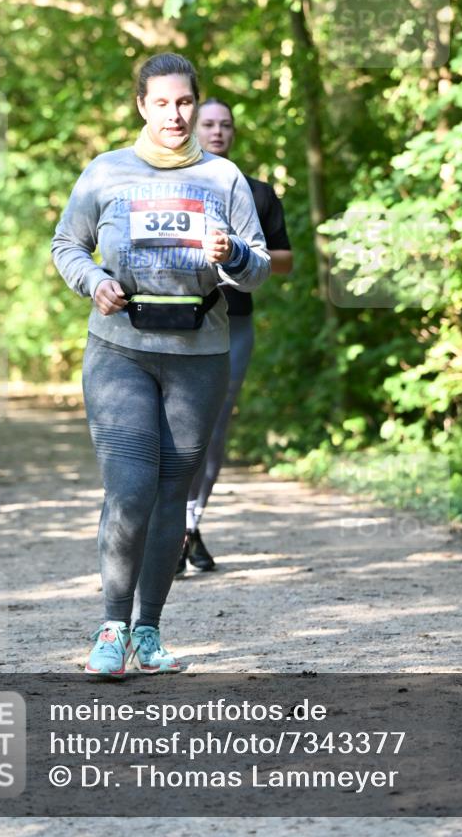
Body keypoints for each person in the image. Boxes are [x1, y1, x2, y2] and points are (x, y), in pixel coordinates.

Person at [51, 53, 270, 677]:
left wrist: (231, 255)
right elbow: (67, 243)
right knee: (130, 489)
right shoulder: (105, 173)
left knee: (172, 491)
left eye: (185, 103)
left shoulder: (225, 178)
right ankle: (111, 625)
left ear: (195, 105)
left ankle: (149, 630)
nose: (175, 115)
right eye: (162, 103)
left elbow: (258, 269)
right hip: (119, 349)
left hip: (199, 357)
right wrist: (92, 280)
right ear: (142, 106)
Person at [177, 99, 293, 574]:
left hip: (235, 321)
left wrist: (239, 252)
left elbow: (283, 260)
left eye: (226, 125)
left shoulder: (258, 193)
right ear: (192, 128)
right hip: (178, 319)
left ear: (234, 133)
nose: (218, 131)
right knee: (177, 425)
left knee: (215, 424)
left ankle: (189, 525)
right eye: (209, 124)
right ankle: (169, 528)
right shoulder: (172, 187)